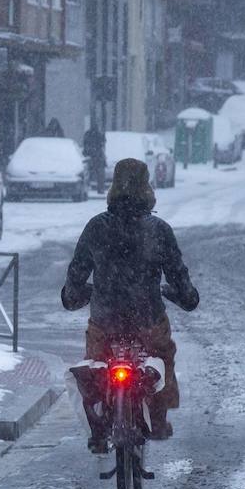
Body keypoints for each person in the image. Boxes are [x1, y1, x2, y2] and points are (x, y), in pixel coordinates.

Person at [61, 158, 199, 452]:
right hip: (147, 319)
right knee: (163, 358)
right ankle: (158, 419)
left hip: (105, 320)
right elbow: (178, 275)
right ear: (147, 187)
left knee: (96, 366)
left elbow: (77, 273)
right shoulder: (158, 230)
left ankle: (99, 425)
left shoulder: (96, 227)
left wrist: (76, 294)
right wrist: (185, 296)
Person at [82, 119, 106, 193]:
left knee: (88, 173)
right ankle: (100, 189)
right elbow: (103, 143)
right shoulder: (99, 134)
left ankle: (88, 187)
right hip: (97, 156)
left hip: (90, 156)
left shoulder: (88, 134)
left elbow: (84, 144)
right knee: (99, 174)